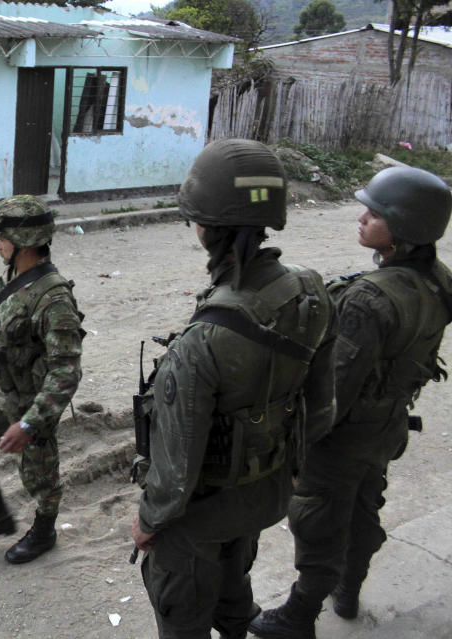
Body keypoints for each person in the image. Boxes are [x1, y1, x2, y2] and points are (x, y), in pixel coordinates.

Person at [130, 139, 336, 639]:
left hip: (196, 520)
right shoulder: (311, 293)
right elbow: (322, 410)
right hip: (260, 500)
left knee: (183, 618)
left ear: (205, 227)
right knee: (231, 589)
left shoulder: (203, 342)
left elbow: (175, 477)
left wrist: (147, 522)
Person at [250, 166, 452, 638]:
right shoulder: (439, 280)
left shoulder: (368, 300)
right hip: (387, 427)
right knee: (363, 509)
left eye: (376, 213)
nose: (362, 217)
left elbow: (333, 392)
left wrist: (297, 452)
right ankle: (348, 588)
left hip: (344, 437)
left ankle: (300, 615)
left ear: (404, 229)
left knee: (319, 520)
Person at [0, 195, 84, 564]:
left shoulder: (54, 298)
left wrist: (29, 423)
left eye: (2, 238)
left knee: (40, 476)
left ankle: (44, 531)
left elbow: (66, 371)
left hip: (32, 403)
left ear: (23, 243)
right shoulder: (13, 277)